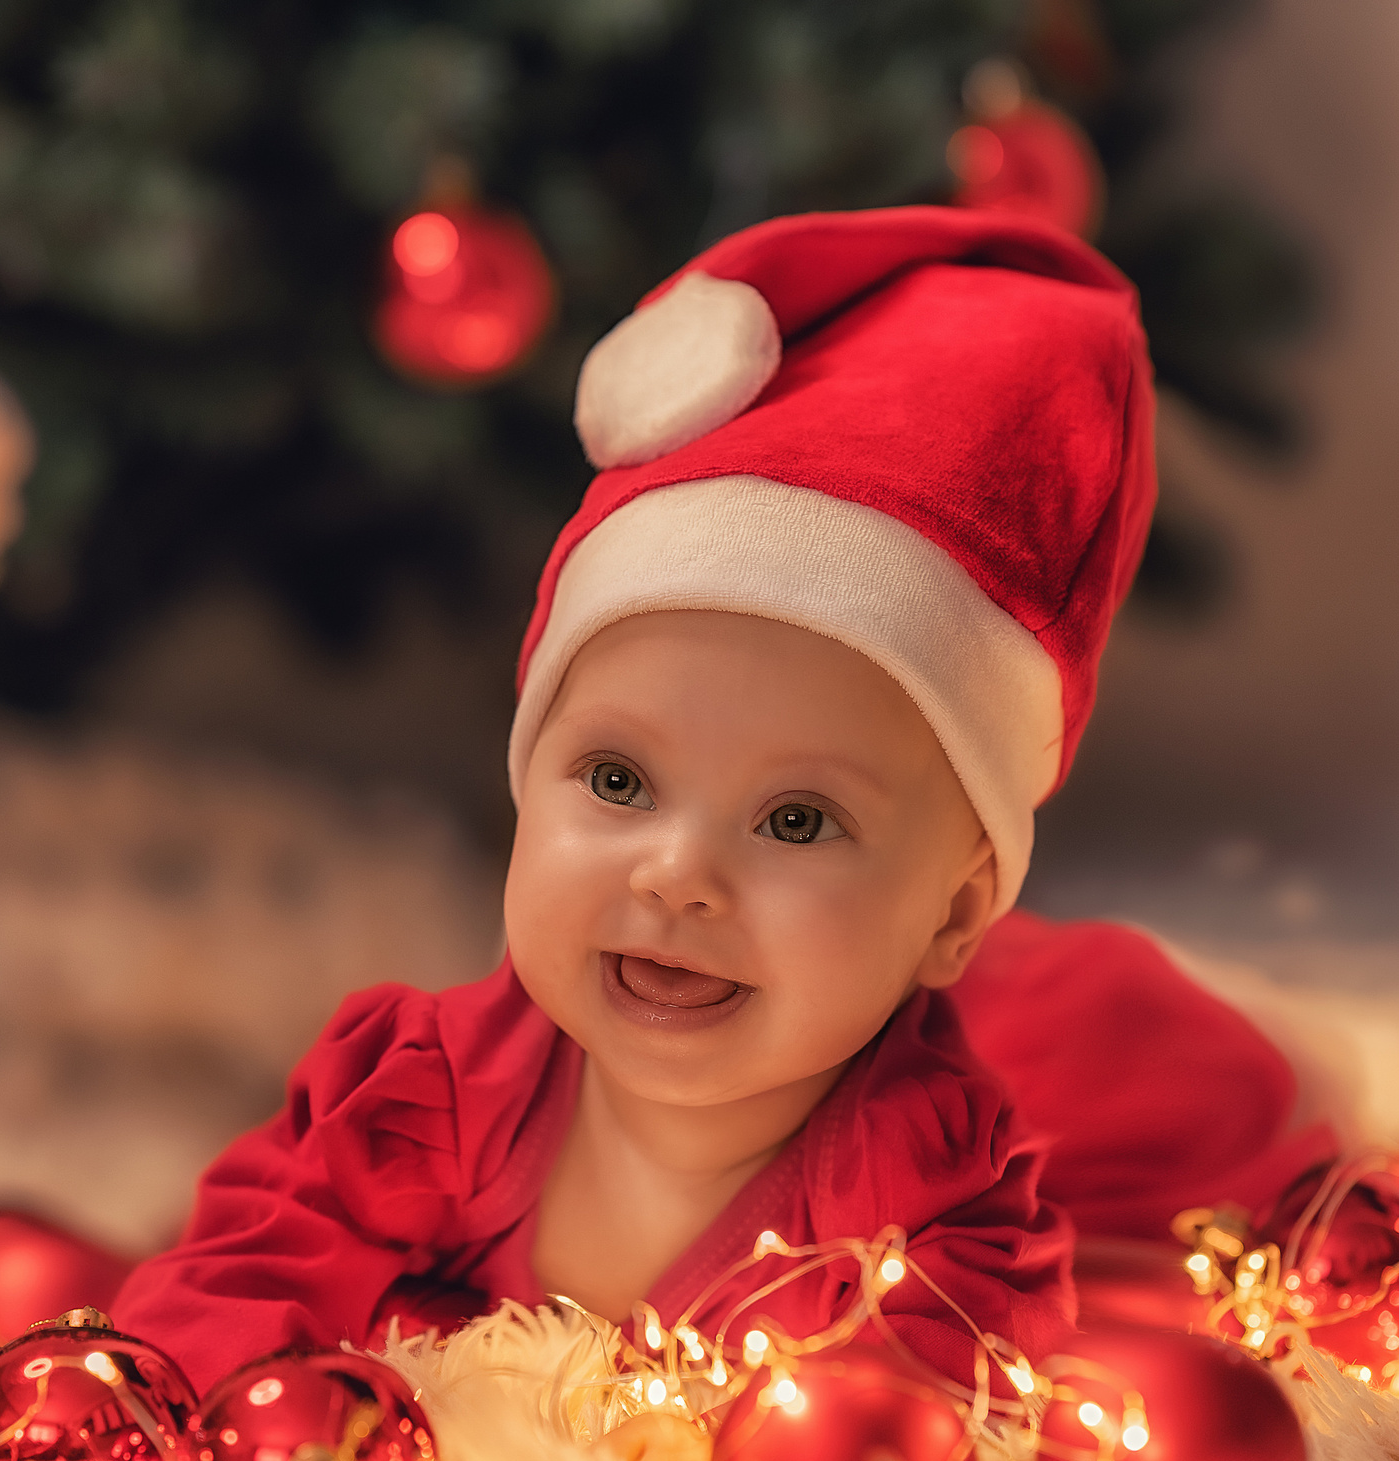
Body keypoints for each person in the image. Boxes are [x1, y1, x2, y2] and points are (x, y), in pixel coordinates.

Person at [114, 206, 1334, 1397]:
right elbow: (252, 1255)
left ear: (953, 911)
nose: (675, 873)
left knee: (1164, 1087)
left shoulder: (912, 1192)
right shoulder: (436, 1092)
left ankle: (1261, 1046)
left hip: (1066, 1055)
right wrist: (169, 1400)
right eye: (616, 781)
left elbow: (933, 1400)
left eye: (795, 820)